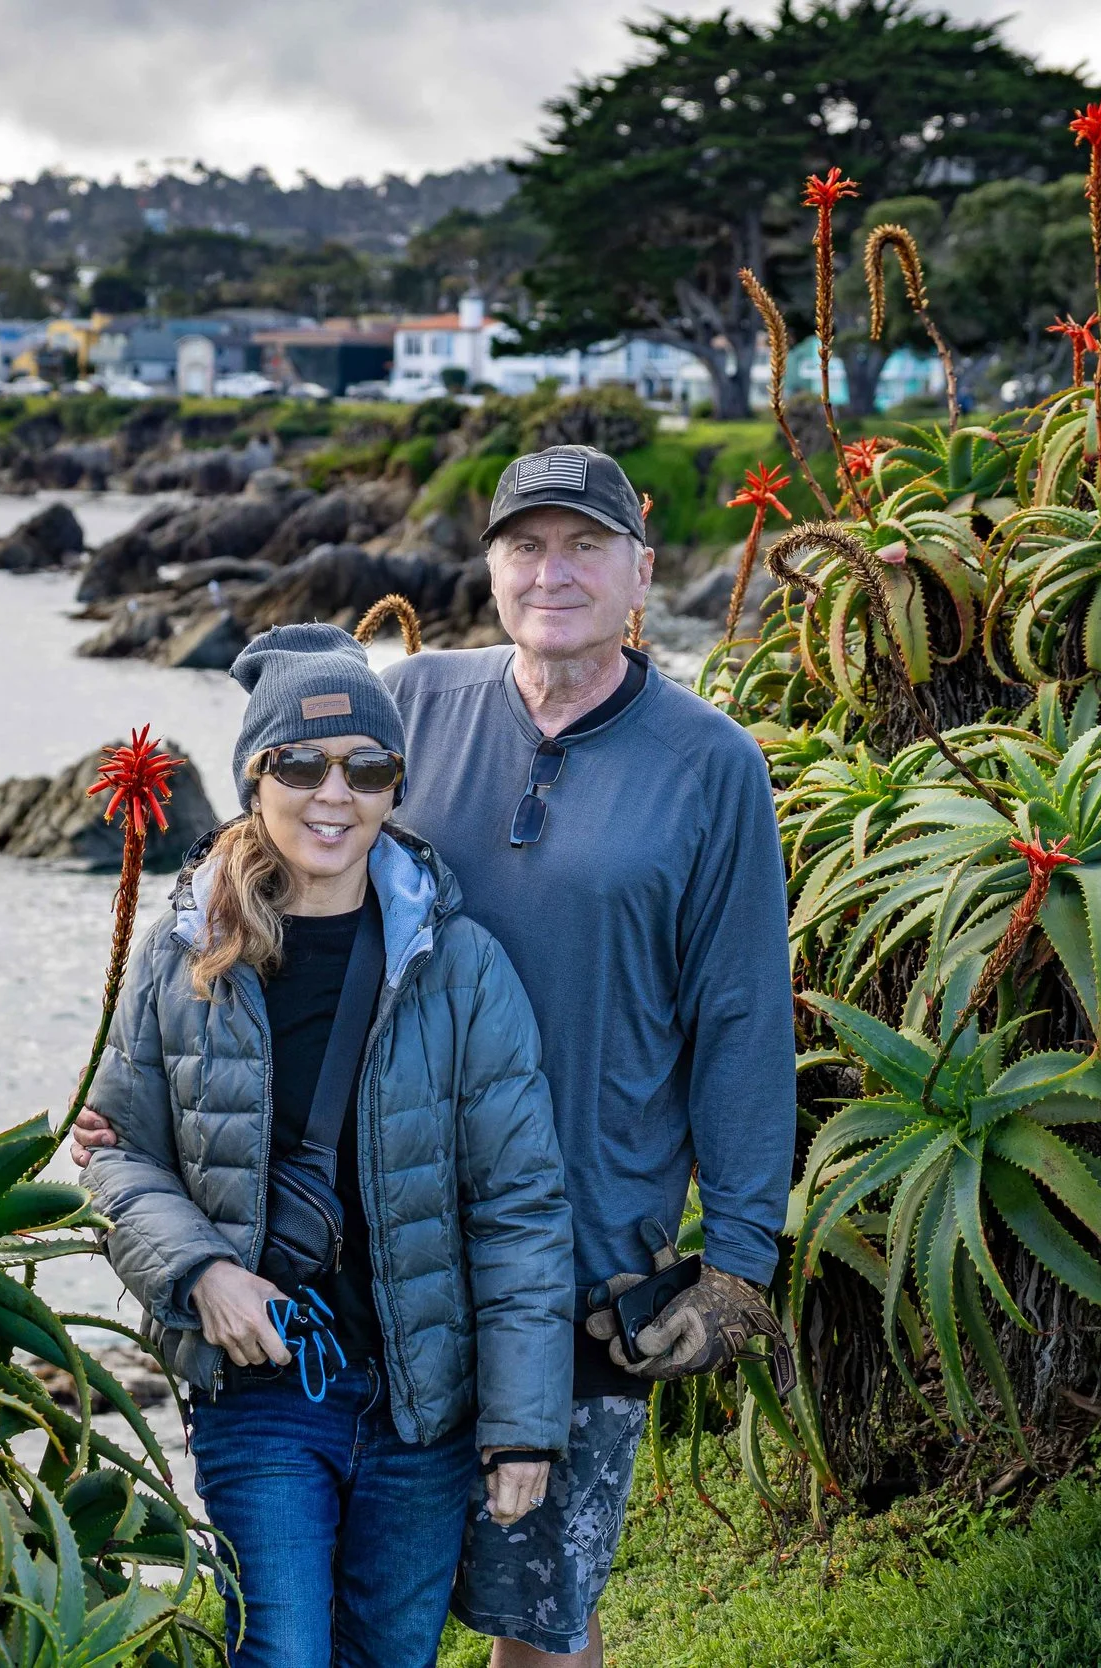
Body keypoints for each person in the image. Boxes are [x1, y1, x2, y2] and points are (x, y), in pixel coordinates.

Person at [78, 445, 795, 1668]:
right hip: (382, 1246)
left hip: (567, 1252)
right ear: (490, 567)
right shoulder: (414, 705)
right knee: (348, 1619)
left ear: (640, 572)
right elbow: (289, 798)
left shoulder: (709, 765)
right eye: (525, 545)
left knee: (537, 1616)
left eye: (584, 546)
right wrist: (159, 1040)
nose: (552, 572)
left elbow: (740, 1019)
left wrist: (736, 1257)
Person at [81, 622, 574, 1668]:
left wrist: (524, 1422)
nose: (332, 793)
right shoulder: (185, 958)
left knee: (389, 1657)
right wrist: (203, 1272)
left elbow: (519, 1201)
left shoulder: (460, 964)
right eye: (298, 764)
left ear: (398, 785)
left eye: (366, 767)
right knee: (286, 1652)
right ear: (255, 778)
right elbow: (117, 1154)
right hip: (261, 1393)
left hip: (419, 1403)